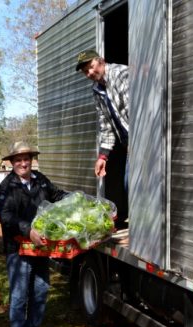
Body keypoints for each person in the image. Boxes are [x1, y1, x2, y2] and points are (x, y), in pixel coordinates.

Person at [0, 141, 67, 327]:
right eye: (18, 160)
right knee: (19, 296)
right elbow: (6, 217)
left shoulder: (41, 180)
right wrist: (29, 231)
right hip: (18, 248)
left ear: (31, 160)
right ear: (12, 163)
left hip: (40, 247)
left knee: (41, 289)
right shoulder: (6, 188)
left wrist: (77, 202)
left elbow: (57, 196)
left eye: (26, 159)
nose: (23, 163)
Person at [76, 49, 129, 226]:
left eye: (91, 67)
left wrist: (140, 142)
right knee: (129, 186)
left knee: (135, 186)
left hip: (145, 141)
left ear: (101, 61)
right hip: (130, 145)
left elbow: (137, 112)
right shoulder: (97, 90)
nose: (90, 73)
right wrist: (102, 156)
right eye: (85, 71)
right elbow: (106, 125)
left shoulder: (121, 75)